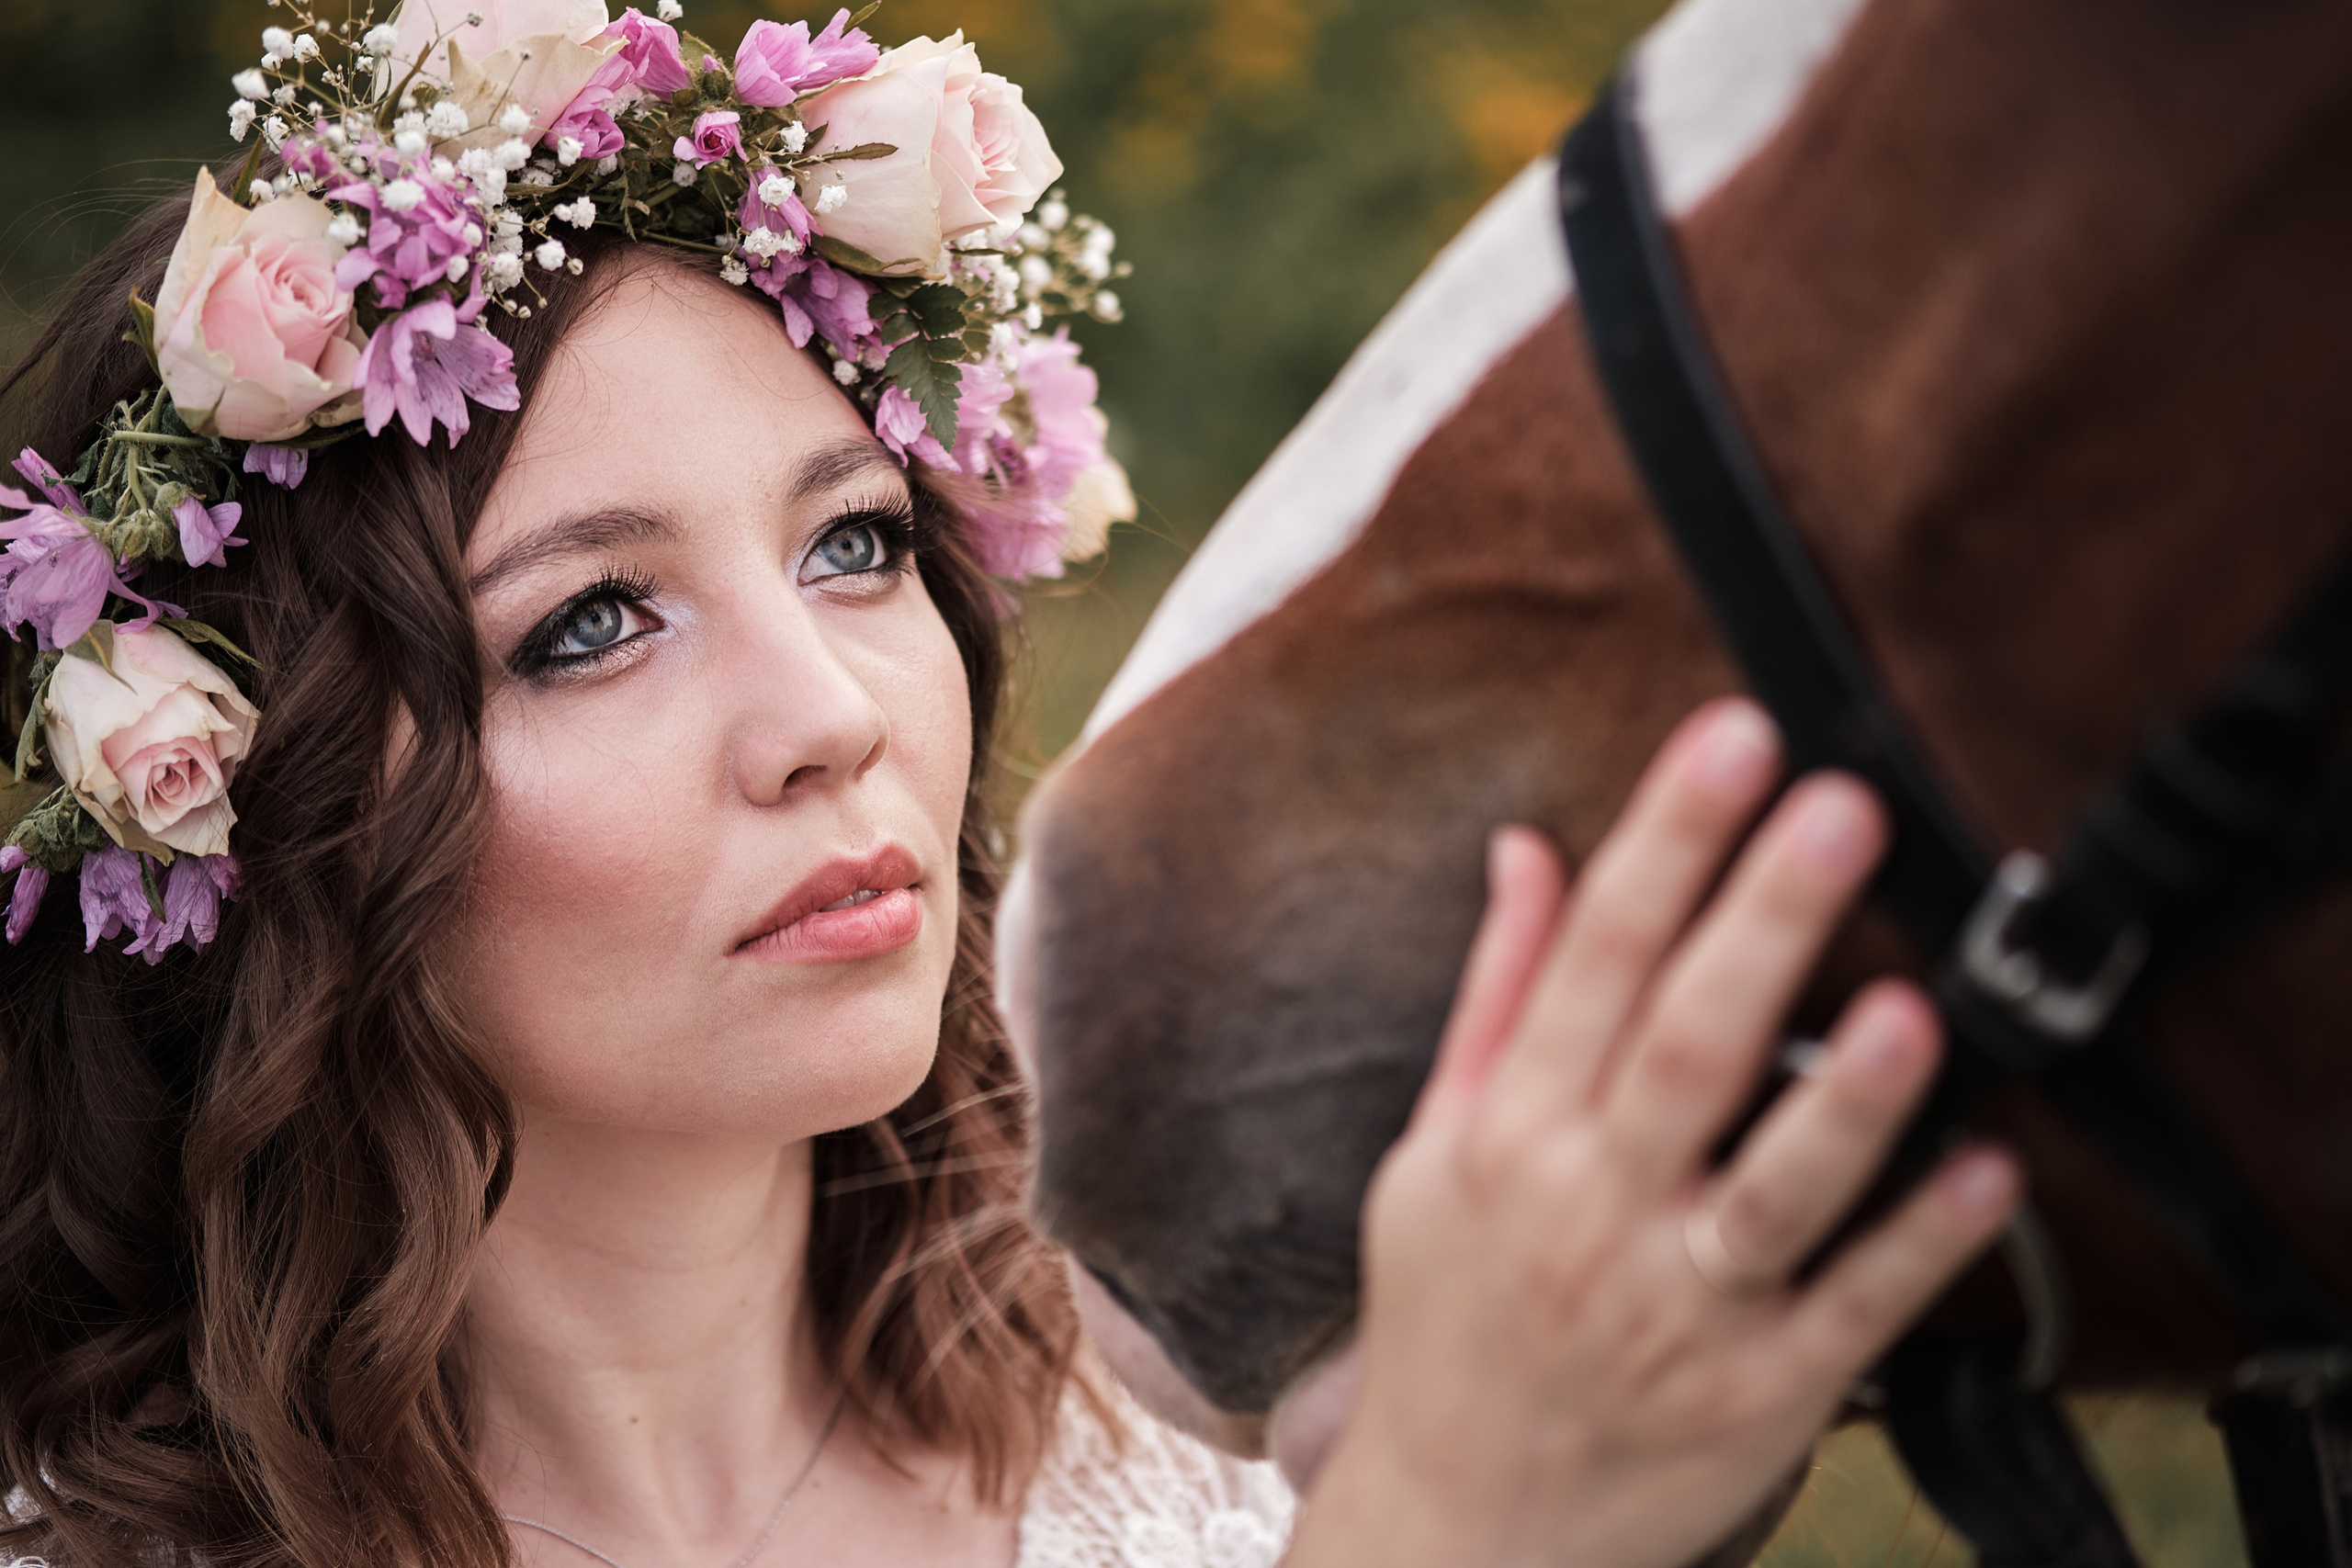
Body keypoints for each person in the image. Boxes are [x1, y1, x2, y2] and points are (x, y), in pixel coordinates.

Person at [0, 5, 2017, 1566]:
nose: (832, 712)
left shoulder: (1200, 1472)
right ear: (250, 805)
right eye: (592, 621)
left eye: (854, 544)